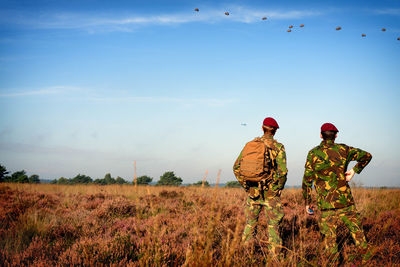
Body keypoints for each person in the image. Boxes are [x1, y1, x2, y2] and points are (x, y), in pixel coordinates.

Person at [302, 123, 372, 262]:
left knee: (329, 242)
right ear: (336, 136)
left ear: (321, 135)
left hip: (325, 205)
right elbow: (367, 156)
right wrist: (353, 171)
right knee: (358, 234)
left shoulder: (313, 153)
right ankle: (367, 261)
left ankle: (333, 262)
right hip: (345, 202)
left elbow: (307, 180)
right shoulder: (344, 149)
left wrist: (307, 202)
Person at [233, 117, 288, 256]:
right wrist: (278, 188)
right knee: (273, 226)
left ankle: (245, 254)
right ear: (275, 131)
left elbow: (236, 167)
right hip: (271, 194)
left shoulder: (250, 145)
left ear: (262, 128)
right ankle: (274, 259)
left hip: (253, 193)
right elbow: (282, 172)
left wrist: (246, 186)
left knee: (250, 224)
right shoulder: (278, 147)